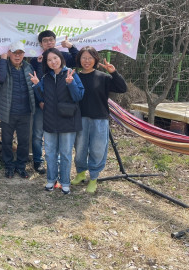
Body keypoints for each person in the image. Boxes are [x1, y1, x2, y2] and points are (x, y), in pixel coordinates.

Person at [73, 47, 127, 193]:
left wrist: (113, 72)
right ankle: (80, 173)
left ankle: (94, 178)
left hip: (100, 119)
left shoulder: (103, 77)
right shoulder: (75, 76)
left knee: (97, 150)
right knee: (80, 149)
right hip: (81, 119)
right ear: (79, 59)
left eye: (90, 58)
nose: (87, 61)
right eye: (84, 58)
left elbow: (122, 88)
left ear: (95, 60)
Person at [31, 48, 84, 195]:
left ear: (60, 58)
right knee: (49, 153)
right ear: (46, 63)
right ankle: (51, 180)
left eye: (55, 58)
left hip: (68, 120)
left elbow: (78, 96)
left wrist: (70, 83)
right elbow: (42, 96)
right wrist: (36, 84)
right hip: (50, 120)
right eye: (49, 60)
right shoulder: (46, 77)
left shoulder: (71, 74)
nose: (53, 62)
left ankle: (65, 182)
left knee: (66, 153)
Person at [29, 30, 79, 174]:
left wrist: (71, 47)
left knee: (58, 133)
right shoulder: (35, 60)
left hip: (60, 106)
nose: (48, 42)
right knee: (38, 134)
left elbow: (79, 61)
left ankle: (56, 163)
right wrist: (40, 102)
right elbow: (34, 81)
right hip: (42, 104)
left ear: (55, 41)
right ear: (40, 44)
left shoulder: (62, 57)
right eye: (45, 40)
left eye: (51, 39)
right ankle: (38, 161)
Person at [0, 41, 36, 179]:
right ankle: (9, 166)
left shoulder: (29, 67)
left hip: (25, 111)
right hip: (8, 111)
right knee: (6, 140)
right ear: (9, 53)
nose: (17, 56)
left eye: (20, 53)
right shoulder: (4, 66)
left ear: (24, 54)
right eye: (14, 53)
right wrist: (3, 60)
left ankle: (21, 166)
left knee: (24, 141)